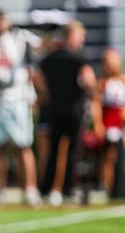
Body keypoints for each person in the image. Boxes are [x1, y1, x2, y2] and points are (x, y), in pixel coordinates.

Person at [0, 9, 41, 207]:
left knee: (22, 147)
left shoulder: (20, 37)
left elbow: (42, 46)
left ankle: (30, 189)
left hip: (16, 100)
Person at [36, 21, 97, 206]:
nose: (82, 40)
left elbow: (36, 76)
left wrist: (45, 93)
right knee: (72, 151)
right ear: (71, 36)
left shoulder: (51, 58)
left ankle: (46, 189)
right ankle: (68, 190)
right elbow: (89, 81)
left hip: (54, 109)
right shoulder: (79, 59)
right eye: (80, 36)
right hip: (74, 110)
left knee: (53, 151)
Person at [93, 49, 125, 195]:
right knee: (109, 156)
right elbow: (97, 105)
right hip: (109, 124)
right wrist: (98, 124)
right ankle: (106, 186)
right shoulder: (103, 83)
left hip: (122, 125)